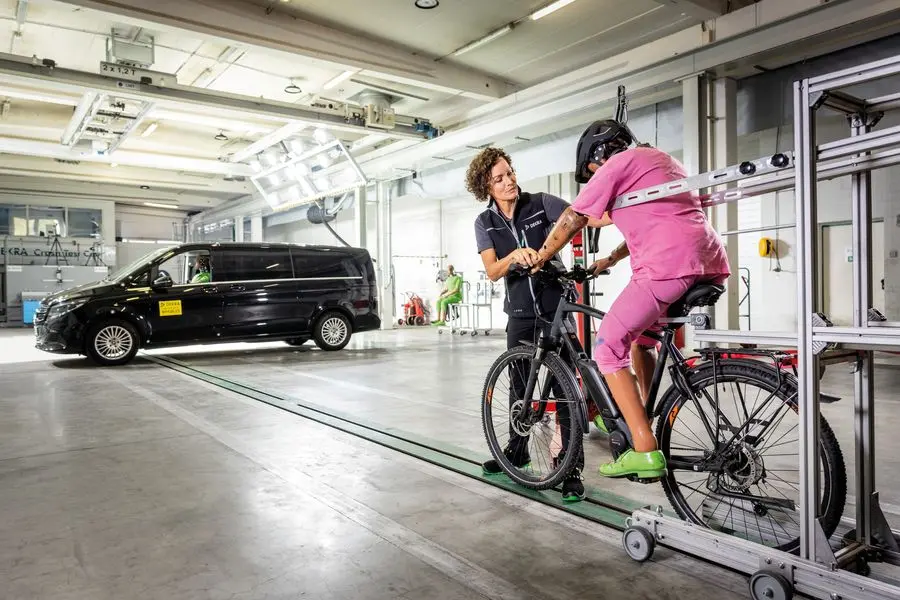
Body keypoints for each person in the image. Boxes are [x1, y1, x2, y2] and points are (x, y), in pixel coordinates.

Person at [532, 119, 731, 480]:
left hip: (668, 265)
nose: (596, 177)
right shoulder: (662, 161)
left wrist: (541, 257)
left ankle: (643, 446)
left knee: (607, 348)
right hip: (707, 260)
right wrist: (610, 260)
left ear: (600, 154)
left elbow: (575, 216)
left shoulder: (619, 163)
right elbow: (655, 217)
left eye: (592, 170)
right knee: (642, 341)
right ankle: (644, 418)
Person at [469, 146, 586, 503]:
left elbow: (575, 217)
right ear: (486, 186)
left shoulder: (540, 203)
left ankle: (571, 468)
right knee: (519, 389)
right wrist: (513, 256)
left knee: (565, 392)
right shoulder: (484, 222)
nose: (509, 182)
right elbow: (492, 270)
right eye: (499, 178)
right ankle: (517, 450)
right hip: (519, 315)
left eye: (510, 173)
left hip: (554, 310)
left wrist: (546, 251)